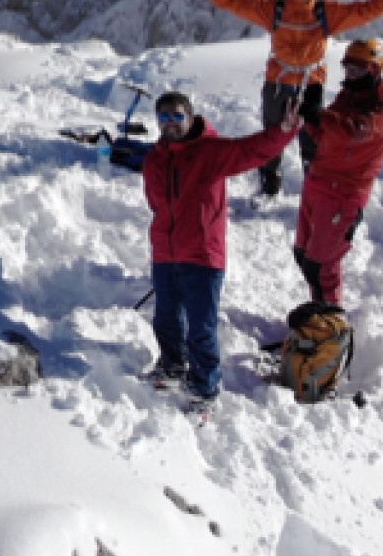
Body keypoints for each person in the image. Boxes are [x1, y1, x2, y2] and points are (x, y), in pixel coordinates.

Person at [115, 90, 301, 412]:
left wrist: (283, 131)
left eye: (177, 116)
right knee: (165, 318)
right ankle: (172, 366)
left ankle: (204, 388)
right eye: (164, 117)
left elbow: (250, 150)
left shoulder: (210, 151)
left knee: (201, 327)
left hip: (202, 253)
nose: (171, 123)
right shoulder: (156, 158)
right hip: (165, 251)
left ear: (190, 117)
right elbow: (156, 202)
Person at [198, 0, 383, 196]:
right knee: (272, 134)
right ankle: (270, 186)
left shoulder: (326, 12)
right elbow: (235, 2)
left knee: (313, 136)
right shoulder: (272, 9)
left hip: (311, 82)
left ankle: (312, 186)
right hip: (279, 81)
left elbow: (365, 10)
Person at [294, 39, 383, 310]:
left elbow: (356, 131)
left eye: (358, 70)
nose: (351, 76)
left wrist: (322, 116)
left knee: (322, 265)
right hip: (317, 183)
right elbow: (326, 134)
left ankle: (331, 325)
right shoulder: (348, 96)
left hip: (343, 193)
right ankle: (319, 318)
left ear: (375, 70)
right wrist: (312, 117)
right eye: (348, 69)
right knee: (304, 255)